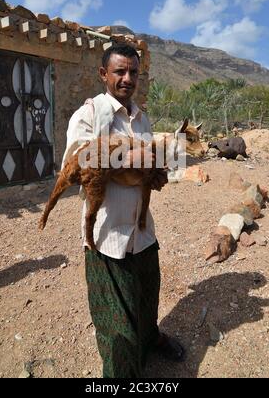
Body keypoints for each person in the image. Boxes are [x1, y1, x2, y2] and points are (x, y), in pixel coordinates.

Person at [62, 43, 185, 378]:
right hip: (108, 236)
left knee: (146, 301)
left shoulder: (142, 119)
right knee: (116, 328)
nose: (127, 78)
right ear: (104, 74)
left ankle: (152, 338)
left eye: (133, 72)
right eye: (119, 71)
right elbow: (80, 164)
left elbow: (145, 171)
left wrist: (156, 175)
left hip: (143, 234)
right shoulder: (88, 115)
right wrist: (145, 159)